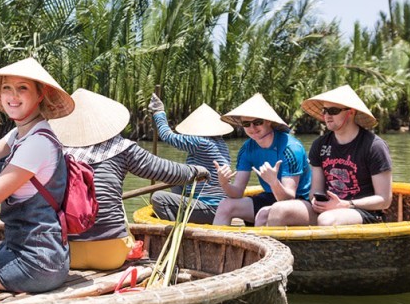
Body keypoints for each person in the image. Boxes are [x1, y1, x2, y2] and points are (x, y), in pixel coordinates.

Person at [49, 89, 209, 270]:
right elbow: (165, 170)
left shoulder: (54, 151)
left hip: (68, 254)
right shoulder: (121, 147)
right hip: (110, 255)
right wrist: (196, 171)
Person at [0, 58, 75, 293]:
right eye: (7, 88)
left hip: (35, 264)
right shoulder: (20, 134)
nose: (13, 96)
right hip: (41, 254)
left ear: (40, 94)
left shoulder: (36, 144)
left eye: (22, 88)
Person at [266, 85, 393, 227]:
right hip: (329, 208)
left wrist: (346, 204)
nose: (327, 116)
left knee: (327, 219)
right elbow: (316, 190)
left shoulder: (374, 146)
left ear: (350, 112)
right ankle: (277, 249)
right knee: (278, 209)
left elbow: (384, 199)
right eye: (325, 111)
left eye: (333, 111)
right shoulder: (320, 145)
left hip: (363, 211)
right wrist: (315, 200)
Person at [212, 93, 311, 226]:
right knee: (225, 205)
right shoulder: (247, 149)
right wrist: (224, 183)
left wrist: (273, 181)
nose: (252, 128)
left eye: (257, 122)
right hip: (270, 196)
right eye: (247, 124)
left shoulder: (291, 148)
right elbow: (237, 193)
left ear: (268, 121)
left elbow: (288, 198)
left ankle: (259, 246)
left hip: (301, 202)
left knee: (264, 213)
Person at [147, 95, 232, 224]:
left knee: (158, 197)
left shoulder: (202, 142)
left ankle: (175, 228)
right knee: (177, 177)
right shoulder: (221, 143)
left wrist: (159, 112)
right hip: (219, 206)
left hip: (210, 209)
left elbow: (167, 136)